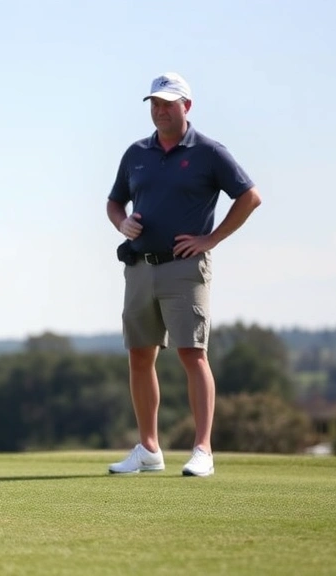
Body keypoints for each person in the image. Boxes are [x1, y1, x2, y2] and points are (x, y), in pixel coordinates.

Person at [106, 72, 262, 477]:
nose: (159, 111)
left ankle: (203, 450)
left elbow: (250, 197)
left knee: (192, 354)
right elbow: (113, 203)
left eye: (167, 104)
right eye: (154, 104)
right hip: (140, 267)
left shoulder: (208, 152)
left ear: (186, 107)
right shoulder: (136, 153)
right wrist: (122, 224)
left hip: (184, 268)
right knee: (140, 356)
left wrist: (211, 239)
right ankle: (149, 449)